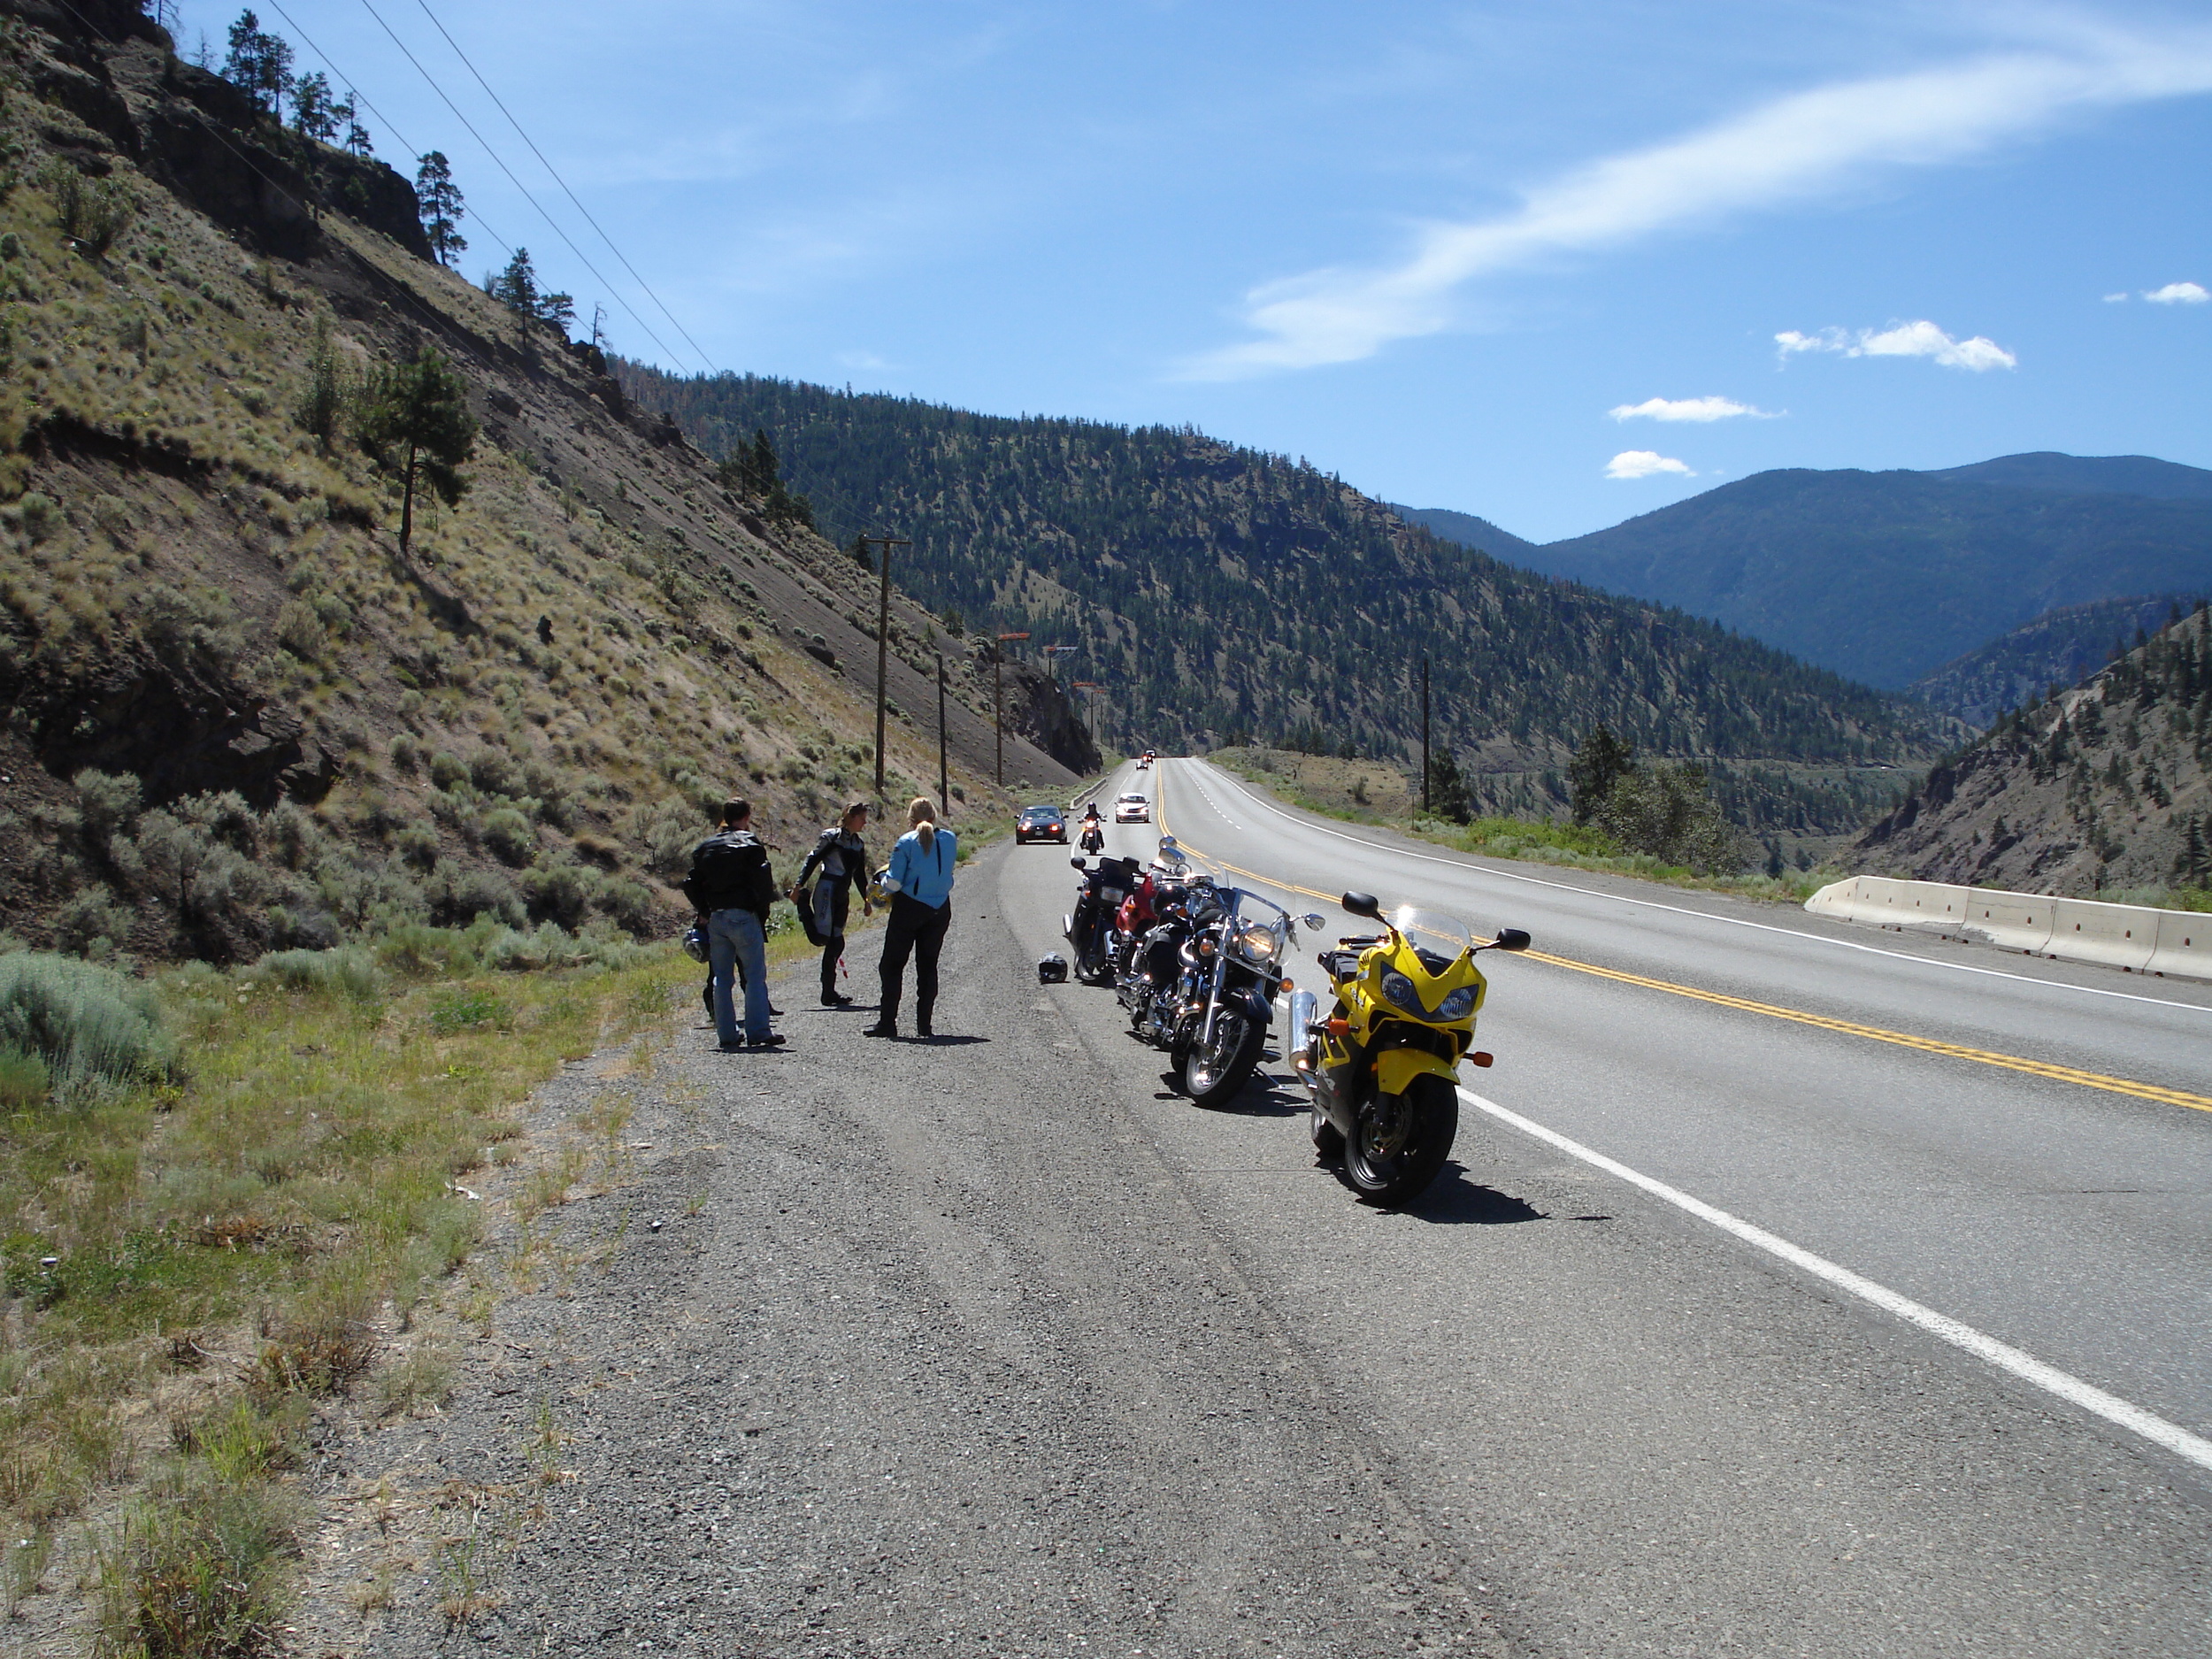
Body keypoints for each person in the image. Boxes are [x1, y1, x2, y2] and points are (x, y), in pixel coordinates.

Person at [683, 798, 784, 1051]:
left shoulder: (706, 847)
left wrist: (704, 910)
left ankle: (727, 1034)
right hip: (744, 914)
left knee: (721, 978)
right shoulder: (750, 844)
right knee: (754, 977)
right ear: (747, 816)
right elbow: (763, 881)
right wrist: (761, 911)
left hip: (716, 918)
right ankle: (759, 1031)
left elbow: (689, 882)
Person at [866, 797, 956, 1041]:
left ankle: (887, 1023)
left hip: (909, 908)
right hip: (940, 908)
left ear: (911, 820)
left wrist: (881, 883)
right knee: (928, 966)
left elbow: (894, 883)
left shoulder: (906, 842)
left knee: (892, 965)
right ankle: (924, 1026)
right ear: (935, 816)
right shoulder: (950, 839)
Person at [793, 800, 872, 1006]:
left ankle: (828, 992)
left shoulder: (858, 844)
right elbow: (813, 859)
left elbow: (860, 875)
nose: (865, 823)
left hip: (842, 894)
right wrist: (798, 885)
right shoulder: (831, 837)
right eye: (862, 819)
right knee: (820, 938)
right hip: (827, 889)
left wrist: (867, 899)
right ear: (852, 818)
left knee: (837, 941)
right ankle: (802, 905)